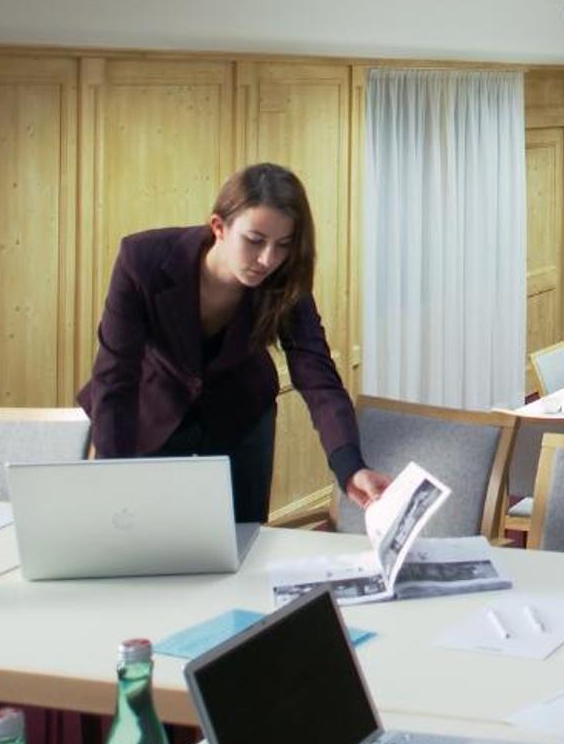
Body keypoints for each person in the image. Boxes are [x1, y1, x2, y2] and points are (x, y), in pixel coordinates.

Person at [79, 162, 389, 525]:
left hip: (240, 417)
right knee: (141, 534)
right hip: (154, 412)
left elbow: (316, 373)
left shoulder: (285, 279)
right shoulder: (143, 260)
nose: (268, 260)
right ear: (219, 227)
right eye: (255, 240)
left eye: (283, 245)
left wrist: (351, 467)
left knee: (242, 542)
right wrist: (110, 475)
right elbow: (115, 375)